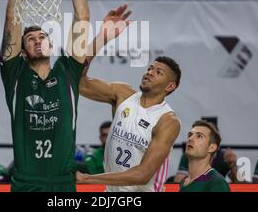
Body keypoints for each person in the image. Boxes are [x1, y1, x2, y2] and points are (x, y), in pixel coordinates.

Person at [0, 0, 91, 192]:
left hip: (64, 182)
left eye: (42, 37)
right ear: (23, 51)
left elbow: (82, 19)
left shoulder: (67, 71)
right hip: (26, 183)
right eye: (31, 39)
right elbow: (12, 21)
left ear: (51, 45)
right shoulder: (15, 74)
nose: (38, 40)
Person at [76, 19, 181, 191]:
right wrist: (101, 39)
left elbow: (142, 175)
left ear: (170, 86)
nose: (149, 72)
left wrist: (86, 178)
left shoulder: (167, 121)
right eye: (150, 68)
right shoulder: (123, 94)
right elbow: (78, 81)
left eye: (158, 72)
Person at [173, 121, 239, 183]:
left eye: (199, 136)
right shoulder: (188, 155)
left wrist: (233, 166)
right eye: (190, 135)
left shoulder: (224, 157)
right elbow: (177, 184)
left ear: (212, 147)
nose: (190, 138)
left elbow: (242, 185)